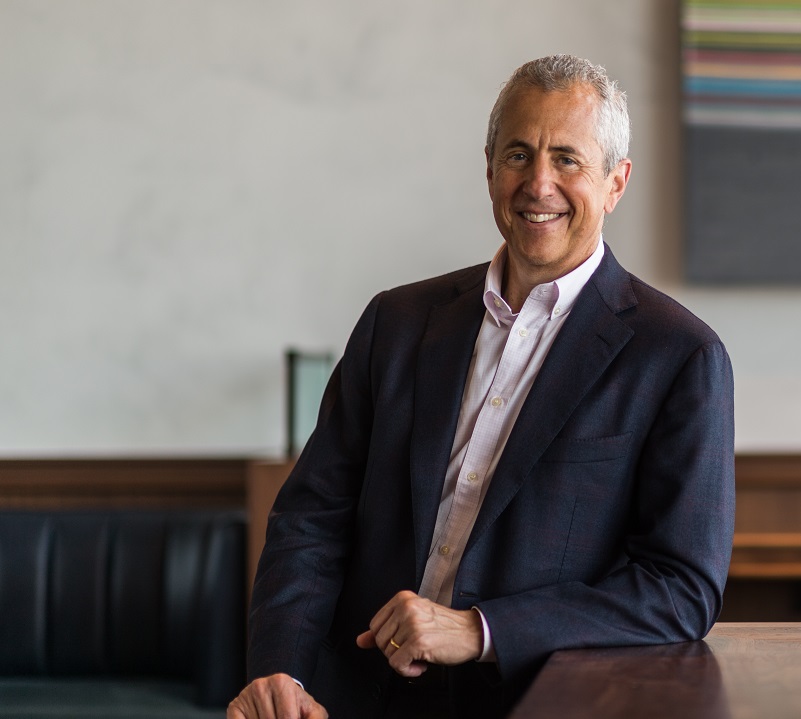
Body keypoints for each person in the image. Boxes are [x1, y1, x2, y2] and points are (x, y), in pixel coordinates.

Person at [227, 55, 735, 719]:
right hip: (343, 698)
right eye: (519, 154)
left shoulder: (679, 355)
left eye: (568, 159)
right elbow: (311, 517)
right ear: (490, 167)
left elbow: (680, 588)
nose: (539, 182)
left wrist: (478, 629)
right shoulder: (396, 321)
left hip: (530, 700)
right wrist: (279, 671)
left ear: (616, 182)